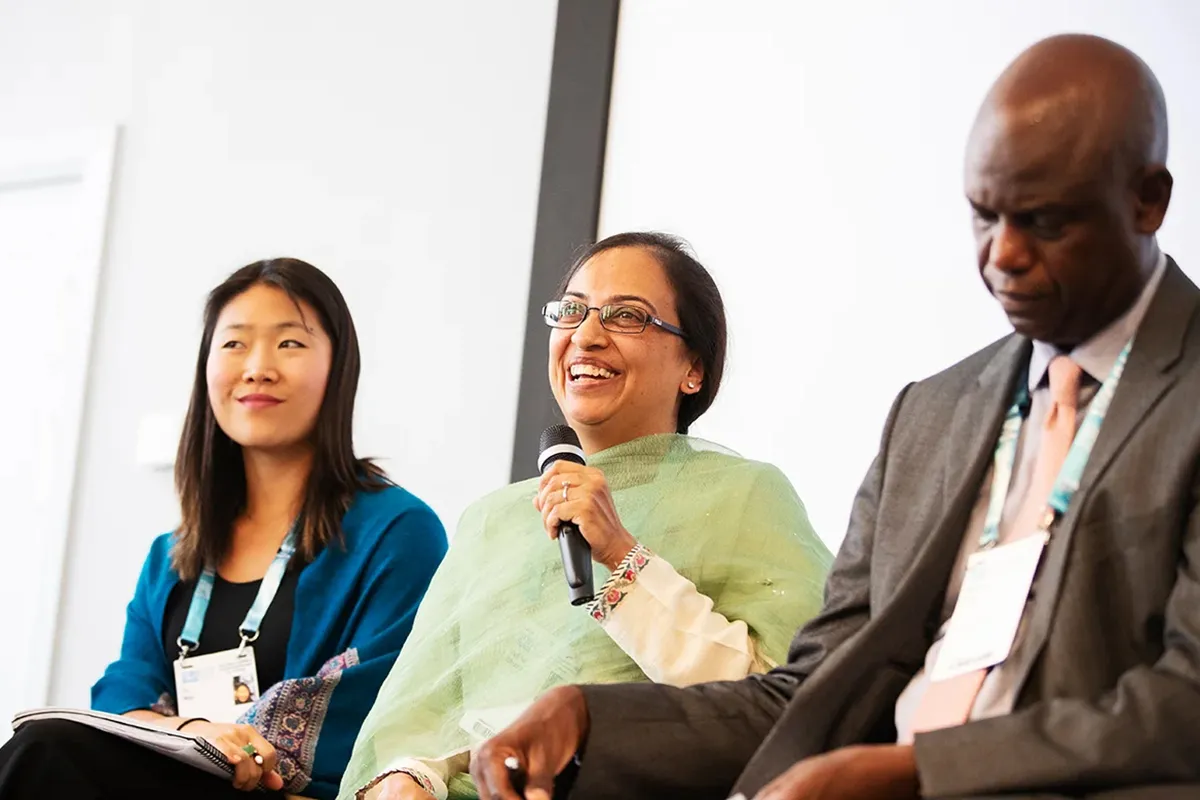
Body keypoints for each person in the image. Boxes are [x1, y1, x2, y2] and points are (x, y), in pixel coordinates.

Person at [471, 34, 1200, 800]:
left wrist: (918, 774)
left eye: (1044, 221)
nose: (1002, 255)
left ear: (1149, 201)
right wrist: (587, 718)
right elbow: (809, 694)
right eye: (984, 217)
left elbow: (1185, 701)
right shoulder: (933, 415)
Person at [339, 232, 833, 800]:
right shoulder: (491, 521)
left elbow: (776, 708)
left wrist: (623, 556)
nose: (587, 335)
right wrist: (410, 771)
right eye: (571, 311)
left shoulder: (747, 495)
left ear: (693, 367)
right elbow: (420, 715)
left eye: (627, 316)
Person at [0, 258, 448, 800]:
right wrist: (194, 734)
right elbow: (124, 691)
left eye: (289, 344)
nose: (257, 367)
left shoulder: (398, 532)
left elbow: (380, 712)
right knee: (45, 746)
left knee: (45, 753)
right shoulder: (173, 555)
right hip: (180, 780)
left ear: (338, 369)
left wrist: (229, 746)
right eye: (234, 344)